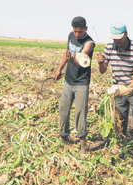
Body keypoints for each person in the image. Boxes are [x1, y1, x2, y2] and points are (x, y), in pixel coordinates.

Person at [96, 22, 133, 158]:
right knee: (119, 117)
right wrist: (101, 62)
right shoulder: (109, 47)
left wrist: (130, 87)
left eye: (119, 38)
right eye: (114, 39)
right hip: (118, 89)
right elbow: (103, 71)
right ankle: (117, 145)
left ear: (126, 34)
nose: (117, 41)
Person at [53, 16, 95, 153]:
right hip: (68, 80)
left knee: (80, 112)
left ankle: (83, 144)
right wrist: (59, 69)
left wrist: (72, 59)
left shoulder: (89, 43)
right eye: (75, 31)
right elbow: (67, 54)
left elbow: (80, 58)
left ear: (86, 29)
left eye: (80, 32)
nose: (77, 34)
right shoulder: (70, 36)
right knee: (63, 109)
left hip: (81, 82)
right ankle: (64, 137)